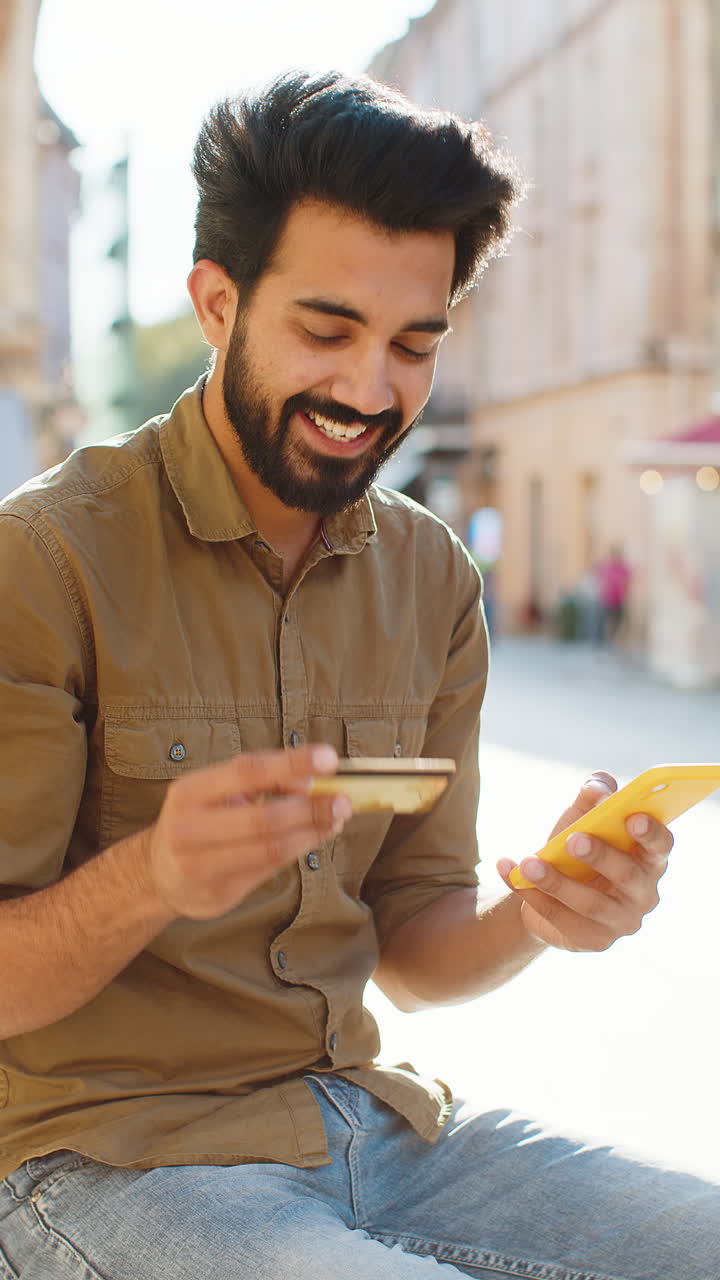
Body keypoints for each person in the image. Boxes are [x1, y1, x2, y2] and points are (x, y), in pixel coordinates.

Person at [0, 71, 717, 1280]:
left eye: (413, 344)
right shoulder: (45, 558)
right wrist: (155, 874)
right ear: (217, 303)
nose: (369, 390)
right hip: (100, 1157)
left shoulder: (433, 574)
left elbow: (415, 946)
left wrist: (541, 911)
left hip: (375, 1126)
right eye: (326, 331)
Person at [595, 545, 632, 642]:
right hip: (608, 599)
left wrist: (626, 594)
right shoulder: (607, 567)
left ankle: (615, 640)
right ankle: (609, 640)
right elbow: (601, 580)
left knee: (619, 622)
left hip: (619, 599)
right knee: (609, 621)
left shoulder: (623, 568)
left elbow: (627, 582)